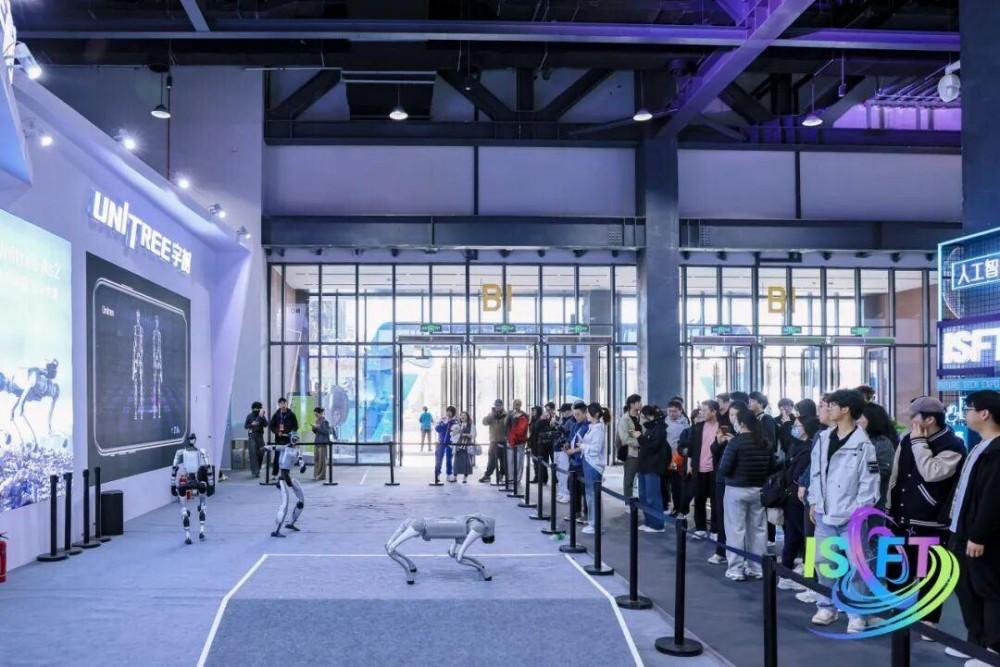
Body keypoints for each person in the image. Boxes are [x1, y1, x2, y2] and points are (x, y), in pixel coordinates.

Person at [885, 396, 964, 637]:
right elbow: (896, 474)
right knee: (896, 567)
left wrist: (919, 442)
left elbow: (932, 472)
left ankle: (929, 620)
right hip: (899, 516)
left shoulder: (953, 444)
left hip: (930, 520)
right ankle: (898, 612)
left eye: (914, 416)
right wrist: (889, 505)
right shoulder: (906, 438)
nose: (910, 420)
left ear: (930, 420)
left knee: (930, 571)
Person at [807, 389, 880, 632]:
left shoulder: (863, 444)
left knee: (859, 565)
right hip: (824, 513)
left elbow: (870, 483)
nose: (828, 408)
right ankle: (826, 606)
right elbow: (816, 473)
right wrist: (814, 501)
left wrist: (859, 511)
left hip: (852, 517)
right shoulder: (823, 438)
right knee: (823, 562)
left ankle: (857, 613)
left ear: (846, 409)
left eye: (832, 404)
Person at [948, 390, 1000, 665]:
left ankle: (992, 650)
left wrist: (978, 535)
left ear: (985, 413)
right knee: (965, 587)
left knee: (987, 590)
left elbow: (993, 499)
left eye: (968, 408)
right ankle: (975, 641)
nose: (965, 413)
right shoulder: (980, 446)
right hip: (962, 530)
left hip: (981, 536)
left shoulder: (996, 451)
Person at [718, 407, 775, 581]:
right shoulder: (764, 441)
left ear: (742, 423)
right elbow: (772, 467)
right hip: (758, 490)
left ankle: (735, 569)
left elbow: (724, 468)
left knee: (735, 530)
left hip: (736, 490)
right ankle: (757, 567)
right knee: (758, 530)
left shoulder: (735, 442)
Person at [778, 414, 821, 590]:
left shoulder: (808, 449)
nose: (794, 429)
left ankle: (804, 575)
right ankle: (796, 574)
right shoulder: (798, 447)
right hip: (794, 497)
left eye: (797, 426)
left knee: (803, 537)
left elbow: (795, 474)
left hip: (800, 498)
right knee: (797, 536)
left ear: (807, 428)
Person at [564, 403, 610, 535]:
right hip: (589, 463)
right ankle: (592, 522)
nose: (587, 415)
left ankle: (595, 524)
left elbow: (596, 449)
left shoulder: (598, 429)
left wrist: (583, 446)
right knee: (590, 496)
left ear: (595, 414)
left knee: (592, 496)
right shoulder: (593, 427)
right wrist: (583, 444)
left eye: (589, 413)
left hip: (593, 465)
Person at [679, 400, 720, 539]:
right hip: (699, 469)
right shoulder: (697, 427)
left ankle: (715, 530)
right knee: (699, 499)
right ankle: (700, 528)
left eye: (704, 410)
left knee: (715, 501)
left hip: (715, 469)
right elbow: (691, 448)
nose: (701, 413)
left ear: (714, 411)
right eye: (701, 410)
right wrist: (689, 464)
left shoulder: (722, 427)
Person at [857, 403, 897, 510]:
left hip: (876, 502)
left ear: (871, 419)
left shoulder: (882, 442)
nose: (857, 421)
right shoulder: (860, 440)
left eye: (860, 417)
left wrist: (862, 469)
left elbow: (883, 470)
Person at [637, 405, 669, 533]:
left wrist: (640, 437)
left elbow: (653, 446)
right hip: (644, 466)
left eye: (642, 416)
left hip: (653, 467)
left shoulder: (660, 429)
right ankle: (649, 521)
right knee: (643, 496)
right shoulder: (649, 429)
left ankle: (657, 525)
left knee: (652, 496)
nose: (640, 419)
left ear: (649, 416)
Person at [271, 431, 306, 538]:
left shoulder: (297, 450)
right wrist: (264, 448)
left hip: (289, 477)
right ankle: (276, 530)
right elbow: (273, 447)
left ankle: (291, 523)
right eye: (293, 438)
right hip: (282, 478)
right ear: (290, 438)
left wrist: (302, 466)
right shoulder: (284, 448)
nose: (295, 440)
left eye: (296, 439)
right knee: (284, 505)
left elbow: (300, 460)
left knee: (301, 501)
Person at [617, 394, 643, 509]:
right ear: (632, 404)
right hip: (631, 453)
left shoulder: (642, 417)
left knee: (642, 480)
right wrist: (641, 442)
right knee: (629, 480)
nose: (641, 404)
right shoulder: (624, 419)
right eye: (639, 402)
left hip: (643, 454)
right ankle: (628, 503)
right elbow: (625, 439)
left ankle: (641, 502)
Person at [269, 397, 298, 478]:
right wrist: (277, 432)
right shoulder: (276, 415)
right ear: (279, 405)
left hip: (288, 439)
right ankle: (275, 474)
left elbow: (295, 426)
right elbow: (271, 426)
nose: (283, 405)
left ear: (286, 404)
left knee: (287, 457)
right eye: (281, 403)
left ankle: (286, 474)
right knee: (277, 456)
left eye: (284, 403)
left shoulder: (291, 414)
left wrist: (291, 433)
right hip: (279, 439)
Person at [479, 400, 507, 484]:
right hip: (493, 441)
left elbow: (509, 426)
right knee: (491, 460)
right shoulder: (491, 415)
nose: (497, 407)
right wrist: (491, 415)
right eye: (496, 405)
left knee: (503, 461)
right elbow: (484, 422)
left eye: (499, 405)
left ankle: (501, 475)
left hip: (503, 441)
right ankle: (487, 475)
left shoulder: (506, 415)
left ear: (502, 406)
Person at [506, 399, 530, 490]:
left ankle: (517, 479)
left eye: (518, 404)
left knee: (519, 461)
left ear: (521, 405)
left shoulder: (524, 415)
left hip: (520, 442)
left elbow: (523, 429)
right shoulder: (509, 414)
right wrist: (511, 416)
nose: (517, 405)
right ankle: (511, 478)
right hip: (510, 441)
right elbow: (506, 425)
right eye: (515, 404)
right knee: (510, 461)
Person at [553, 403, 574, 503]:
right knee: (559, 473)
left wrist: (558, 426)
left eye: (563, 411)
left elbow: (566, 432)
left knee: (564, 472)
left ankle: (566, 493)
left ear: (569, 411)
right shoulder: (564, 420)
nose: (562, 413)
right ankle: (562, 491)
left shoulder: (571, 421)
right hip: (558, 447)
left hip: (564, 449)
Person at [434, 407, 458, 484]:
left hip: (450, 443)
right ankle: (437, 474)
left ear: (453, 413)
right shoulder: (442, 420)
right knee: (439, 459)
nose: (448, 413)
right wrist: (444, 423)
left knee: (449, 459)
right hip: (441, 443)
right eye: (447, 411)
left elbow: (456, 432)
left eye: (450, 412)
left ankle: (449, 474)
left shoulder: (456, 421)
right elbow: (437, 429)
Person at [244, 401, 266, 478]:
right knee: (253, 453)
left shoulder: (261, 415)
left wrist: (262, 417)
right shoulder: (249, 416)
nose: (257, 410)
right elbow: (246, 426)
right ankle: (255, 471)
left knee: (261, 451)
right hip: (252, 436)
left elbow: (266, 424)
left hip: (260, 435)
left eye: (259, 408)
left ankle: (258, 468)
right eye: (256, 408)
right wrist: (252, 424)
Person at [452, 411, 476, 483]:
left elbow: (473, 435)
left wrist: (465, 434)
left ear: (467, 417)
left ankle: (465, 478)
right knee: (456, 461)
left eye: (464, 415)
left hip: (467, 445)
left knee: (467, 462)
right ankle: (455, 477)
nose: (462, 417)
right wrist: (456, 433)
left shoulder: (471, 425)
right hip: (458, 445)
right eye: (461, 415)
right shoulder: (458, 425)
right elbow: (453, 434)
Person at [312, 406, 333, 481]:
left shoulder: (325, 422)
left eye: (317, 414)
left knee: (322, 460)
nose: (316, 416)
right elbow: (317, 432)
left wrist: (318, 428)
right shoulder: (317, 421)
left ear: (320, 413)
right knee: (316, 459)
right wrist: (314, 428)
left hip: (323, 443)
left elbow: (327, 432)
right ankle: (316, 474)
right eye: (315, 414)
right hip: (317, 442)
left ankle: (322, 475)